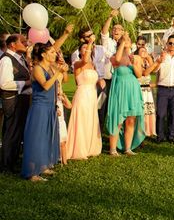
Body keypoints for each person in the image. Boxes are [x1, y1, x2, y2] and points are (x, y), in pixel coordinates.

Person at [21, 42, 66, 181]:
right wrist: (58, 72)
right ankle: (32, 172)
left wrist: (60, 71)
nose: (55, 54)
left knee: (48, 136)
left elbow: (60, 82)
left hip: (50, 106)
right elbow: (46, 86)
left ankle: (43, 165)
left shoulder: (51, 68)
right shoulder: (37, 69)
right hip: (40, 107)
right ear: (43, 54)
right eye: (52, 52)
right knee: (37, 138)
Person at [106, 33, 145, 155]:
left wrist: (133, 64)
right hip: (120, 89)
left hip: (132, 89)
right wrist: (122, 42)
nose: (126, 40)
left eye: (128, 39)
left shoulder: (136, 57)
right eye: (124, 40)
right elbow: (117, 60)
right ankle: (113, 149)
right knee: (117, 119)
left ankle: (128, 148)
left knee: (130, 119)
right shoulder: (114, 56)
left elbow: (139, 75)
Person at [0, 34, 32, 172]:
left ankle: (12, 160)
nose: (27, 43)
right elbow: (5, 84)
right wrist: (26, 83)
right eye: (23, 41)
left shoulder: (21, 59)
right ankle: (6, 165)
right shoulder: (6, 60)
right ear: (12, 44)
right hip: (13, 101)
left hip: (21, 100)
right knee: (11, 131)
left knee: (17, 131)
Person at [67, 40, 103, 160]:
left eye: (89, 47)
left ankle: (90, 147)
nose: (87, 48)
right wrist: (90, 41)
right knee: (82, 119)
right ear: (80, 51)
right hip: (82, 94)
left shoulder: (93, 64)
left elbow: (93, 77)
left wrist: (99, 81)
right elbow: (85, 61)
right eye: (84, 47)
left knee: (91, 119)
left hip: (92, 94)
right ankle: (79, 148)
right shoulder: (78, 63)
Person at [153, 35, 174, 144]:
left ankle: (171, 135)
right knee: (161, 114)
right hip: (163, 89)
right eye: (170, 43)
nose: (172, 45)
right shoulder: (161, 56)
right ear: (167, 43)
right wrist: (159, 60)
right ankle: (160, 136)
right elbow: (154, 71)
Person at [132, 45, 156, 137]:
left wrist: (149, 58)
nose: (144, 52)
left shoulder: (146, 63)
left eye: (145, 50)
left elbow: (155, 70)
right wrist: (155, 62)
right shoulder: (136, 63)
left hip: (147, 92)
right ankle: (138, 133)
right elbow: (144, 73)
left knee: (147, 112)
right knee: (140, 112)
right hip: (139, 90)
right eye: (142, 51)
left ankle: (147, 131)